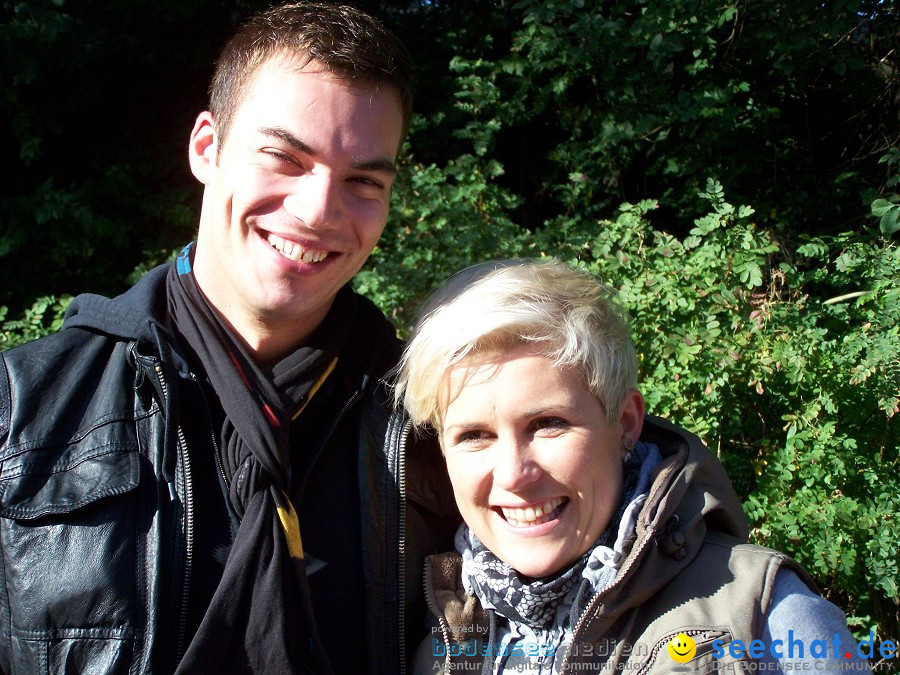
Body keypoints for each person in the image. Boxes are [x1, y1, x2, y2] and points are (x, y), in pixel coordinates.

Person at [0, 3, 457, 673]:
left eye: (363, 180)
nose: (319, 209)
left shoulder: (440, 418)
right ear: (206, 148)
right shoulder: (20, 408)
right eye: (284, 157)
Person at [394, 259, 871, 674]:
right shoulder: (441, 636)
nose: (514, 474)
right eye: (474, 436)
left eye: (548, 424)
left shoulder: (765, 618)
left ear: (624, 424)